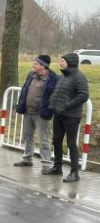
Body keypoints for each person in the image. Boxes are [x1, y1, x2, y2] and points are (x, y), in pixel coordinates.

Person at [44, 52, 89, 182]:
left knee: (71, 144)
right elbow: (57, 92)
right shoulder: (63, 76)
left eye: (62, 61)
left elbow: (83, 95)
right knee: (56, 141)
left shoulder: (79, 77)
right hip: (58, 114)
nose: (60, 63)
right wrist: (53, 103)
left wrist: (67, 106)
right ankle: (57, 167)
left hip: (71, 116)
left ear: (70, 62)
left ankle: (75, 173)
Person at [14, 55, 58, 169]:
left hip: (41, 114)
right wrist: (21, 106)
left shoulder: (53, 78)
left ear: (43, 66)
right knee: (27, 136)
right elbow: (25, 90)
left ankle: (46, 164)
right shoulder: (31, 75)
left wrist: (49, 109)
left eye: (36, 64)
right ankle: (27, 159)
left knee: (43, 139)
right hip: (28, 112)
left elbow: (54, 96)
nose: (33, 65)